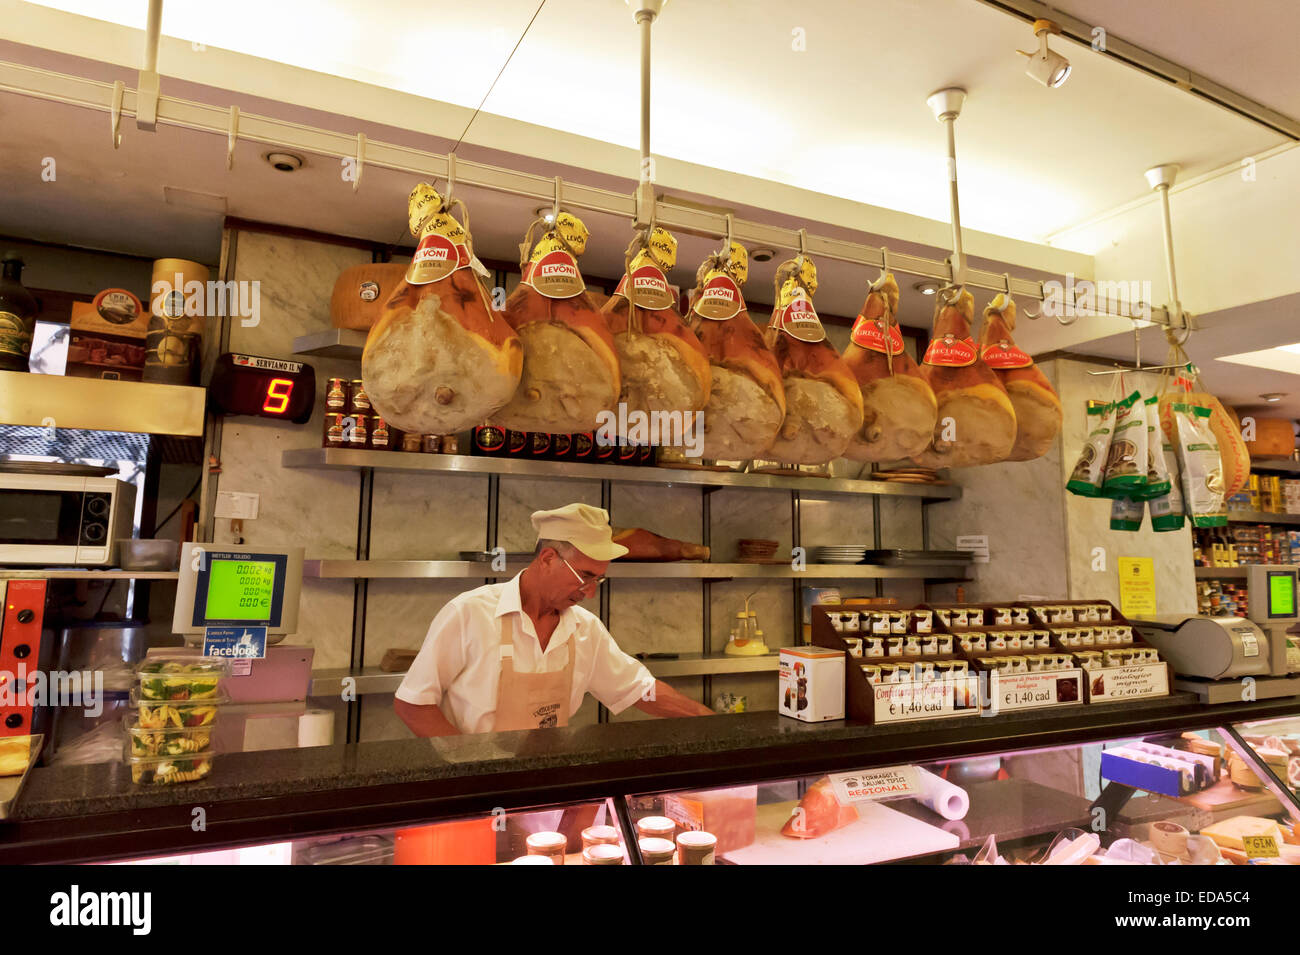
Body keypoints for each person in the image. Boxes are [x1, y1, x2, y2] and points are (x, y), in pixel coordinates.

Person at [394, 503, 713, 736]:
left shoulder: (585, 630)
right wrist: (468, 772)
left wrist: (712, 722)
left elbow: (639, 689)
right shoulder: (470, 613)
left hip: (547, 792)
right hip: (476, 790)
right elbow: (413, 704)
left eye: (598, 581)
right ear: (547, 559)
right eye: (585, 577)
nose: (589, 594)